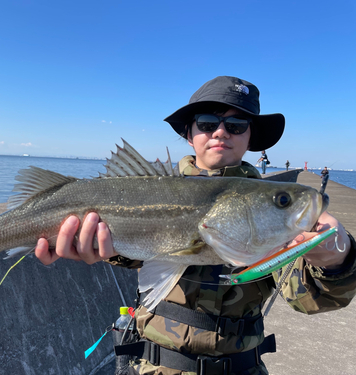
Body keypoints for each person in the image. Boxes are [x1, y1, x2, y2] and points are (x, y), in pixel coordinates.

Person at [35, 76, 356, 375]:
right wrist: (102, 245)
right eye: (207, 123)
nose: (221, 132)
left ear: (250, 137)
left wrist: (336, 262)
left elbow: (307, 298)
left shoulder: (266, 209)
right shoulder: (152, 187)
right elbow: (140, 256)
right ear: (189, 134)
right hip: (156, 365)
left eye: (236, 124)